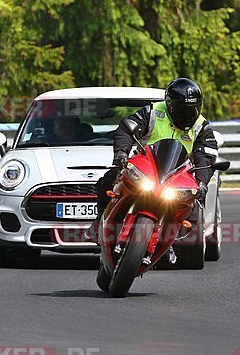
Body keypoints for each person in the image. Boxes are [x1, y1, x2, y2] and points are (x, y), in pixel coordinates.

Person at [84, 78, 219, 244]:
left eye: (193, 109)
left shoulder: (202, 126)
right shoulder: (152, 112)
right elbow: (126, 129)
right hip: (145, 167)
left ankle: (176, 241)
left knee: (195, 199)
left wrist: (202, 182)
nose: (188, 114)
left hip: (179, 175)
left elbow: (206, 155)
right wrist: (121, 153)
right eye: (182, 109)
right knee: (107, 180)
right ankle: (99, 222)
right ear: (170, 104)